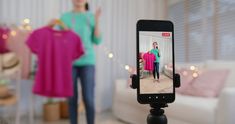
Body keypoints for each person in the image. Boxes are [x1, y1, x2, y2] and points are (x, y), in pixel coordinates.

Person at [60, 0, 102, 124]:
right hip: (70, 63)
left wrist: (97, 20)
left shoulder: (91, 17)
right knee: (71, 99)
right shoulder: (64, 17)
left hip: (88, 62)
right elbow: (59, 39)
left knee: (88, 98)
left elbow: (97, 40)